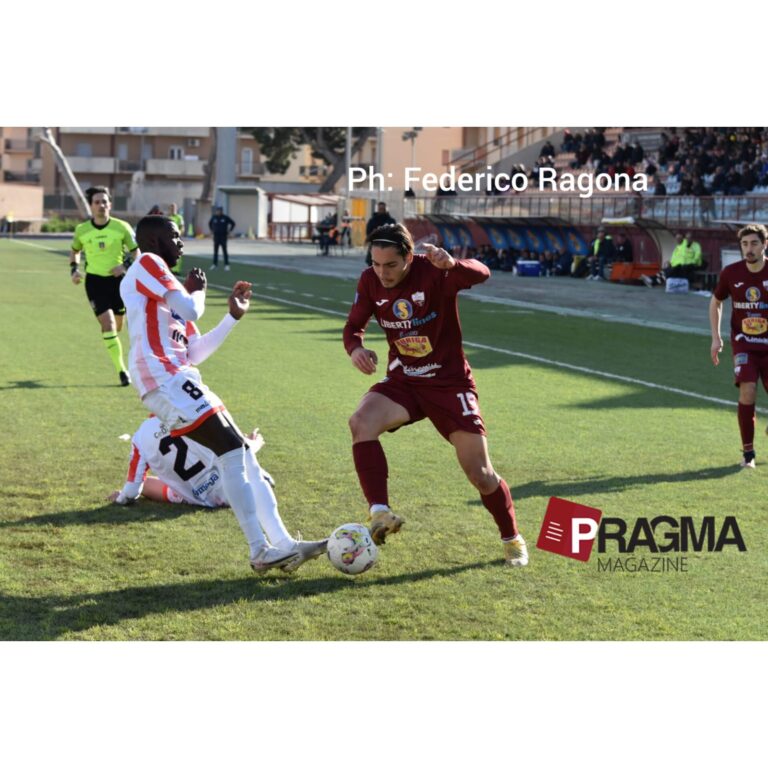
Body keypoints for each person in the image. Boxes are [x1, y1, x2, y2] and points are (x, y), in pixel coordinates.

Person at [119, 215, 325, 571]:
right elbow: (192, 306)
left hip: (180, 375)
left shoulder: (168, 296)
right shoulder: (148, 263)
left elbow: (194, 351)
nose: (181, 242)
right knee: (231, 451)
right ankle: (260, 551)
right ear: (153, 241)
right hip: (161, 377)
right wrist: (197, 288)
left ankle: (284, 544)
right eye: (174, 235)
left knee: (244, 454)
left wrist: (231, 318)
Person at [342, 223, 528, 567]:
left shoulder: (435, 272)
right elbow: (353, 326)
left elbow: (483, 272)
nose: (382, 273)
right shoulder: (370, 280)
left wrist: (453, 264)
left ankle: (512, 538)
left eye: (391, 265)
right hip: (404, 382)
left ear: (409, 258)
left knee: (481, 474)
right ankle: (380, 513)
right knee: (360, 422)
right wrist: (355, 348)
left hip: (449, 384)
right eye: (376, 263)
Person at [108, 417, 323, 571]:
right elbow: (230, 448)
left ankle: (273, 545)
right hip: (232, 484)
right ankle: (278, 541)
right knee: (242, 462)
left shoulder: (139, 437)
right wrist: (254, 443)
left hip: (199, 497)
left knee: (147, 485)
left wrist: (122, 497)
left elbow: (133, 489)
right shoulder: (192, 414)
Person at [709, 224, 768, 469]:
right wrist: (716, 337)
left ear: (765, 244)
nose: (749, 249)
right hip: (744, 345)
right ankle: (748, 455)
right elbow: (716, 302)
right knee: (747, 391)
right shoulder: (731, 273)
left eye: (754, 243)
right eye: (744, 244)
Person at [70, 186, 140, 386]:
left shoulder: (122, 227)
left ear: (110, 204)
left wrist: (124, 265)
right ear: (91, 206)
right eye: (97, 202)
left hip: (119, 283)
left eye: (104, 201)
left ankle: (114, 345)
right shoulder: (82, 230)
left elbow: (137, 252)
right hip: (94, 283)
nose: (101, 205)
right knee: (108, 324)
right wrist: (74, 270)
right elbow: (74, 250)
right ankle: (122, 371)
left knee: (117, 326)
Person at [364, 202, 396, 266]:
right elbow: (368, 233)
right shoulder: (372, 220)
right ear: (377, 209)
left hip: (387, 248)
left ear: (385, 209)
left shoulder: (391, 221)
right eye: (380, 209)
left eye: (383, 209)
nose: (381, 210)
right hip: (375, 247)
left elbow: (395, 233)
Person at [208, 206, 235, 271]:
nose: (218, 212)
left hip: (223, 236)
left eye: (220, 211)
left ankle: (226, 265)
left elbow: (233, 223)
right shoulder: (214, 217)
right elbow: (210, 223)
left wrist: (230, 231)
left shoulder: (225, 218)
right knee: (215, 251)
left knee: (224, 251)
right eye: (217, 211)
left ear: (222, 211)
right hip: (216, 237)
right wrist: (212, 230)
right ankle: (215, 264)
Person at [167, 203, 185, 275]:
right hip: (169, 238)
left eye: (174, 208)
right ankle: (170, 269)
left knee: (178, 254)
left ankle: (177, 270)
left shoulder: (179, 217)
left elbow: (182, 227)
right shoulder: (168, 217)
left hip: (177, 238)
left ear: (176, 209)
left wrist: (179, 233)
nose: (172, 209)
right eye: (171, 208)